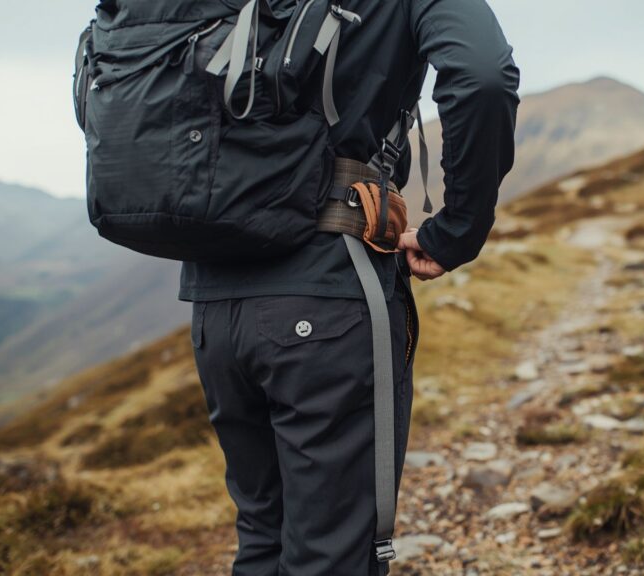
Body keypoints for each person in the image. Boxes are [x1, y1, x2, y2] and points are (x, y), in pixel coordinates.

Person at [181, 1, 520, 574]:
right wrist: (456, 232)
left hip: (213, 297)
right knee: (335, 551)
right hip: (329, 293)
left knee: (263, 534)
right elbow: (483, 75)